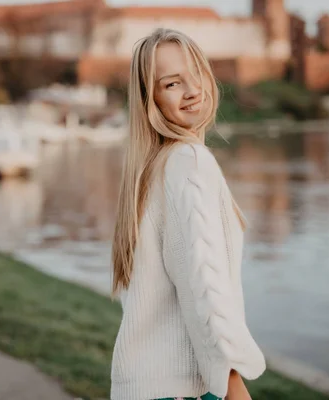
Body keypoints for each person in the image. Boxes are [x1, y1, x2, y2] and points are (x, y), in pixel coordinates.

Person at [110, 28, 266, 400]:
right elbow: (204, 289)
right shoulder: (188, 162)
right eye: (172, 83)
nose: (193, 89)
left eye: (196, 74)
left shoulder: (151, 169)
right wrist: (232, 385)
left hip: (141, 385)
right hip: (183, 388)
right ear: (152, 100)